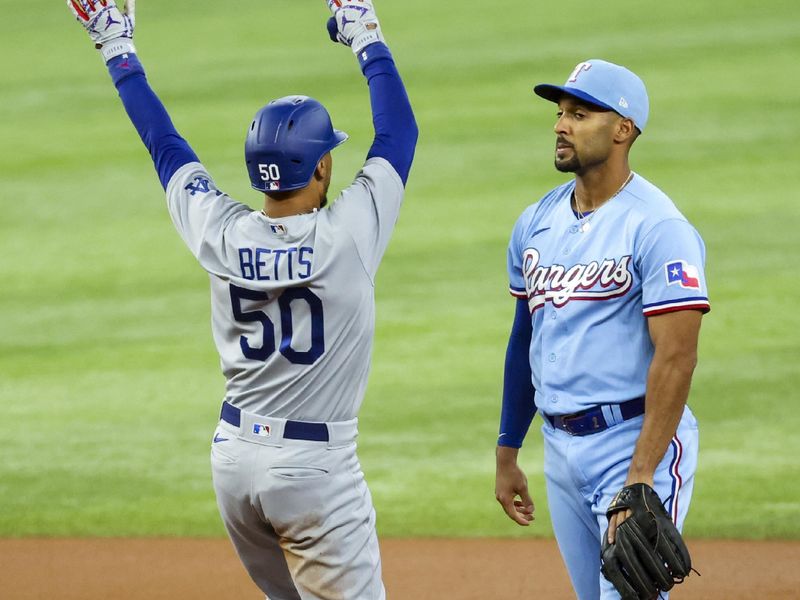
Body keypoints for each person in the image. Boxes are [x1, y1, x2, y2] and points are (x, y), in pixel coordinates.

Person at [67, 1, 417, 598]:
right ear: (324, 167)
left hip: (233, 463)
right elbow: (398, 132)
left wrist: (117, 51)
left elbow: (166, 148)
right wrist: (366, 37)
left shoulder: (220, 231)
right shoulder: (349, 233)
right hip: (313, 472)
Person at [494, 59, 709, 599]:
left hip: (633, 444)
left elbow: (677, 357)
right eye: (561, 113)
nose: (561, 125)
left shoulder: (659, 227)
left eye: (581, 113)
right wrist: (507, 450)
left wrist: (640, 476)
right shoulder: (536, 221)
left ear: (623, 129)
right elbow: (526, 339)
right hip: (560, 447)